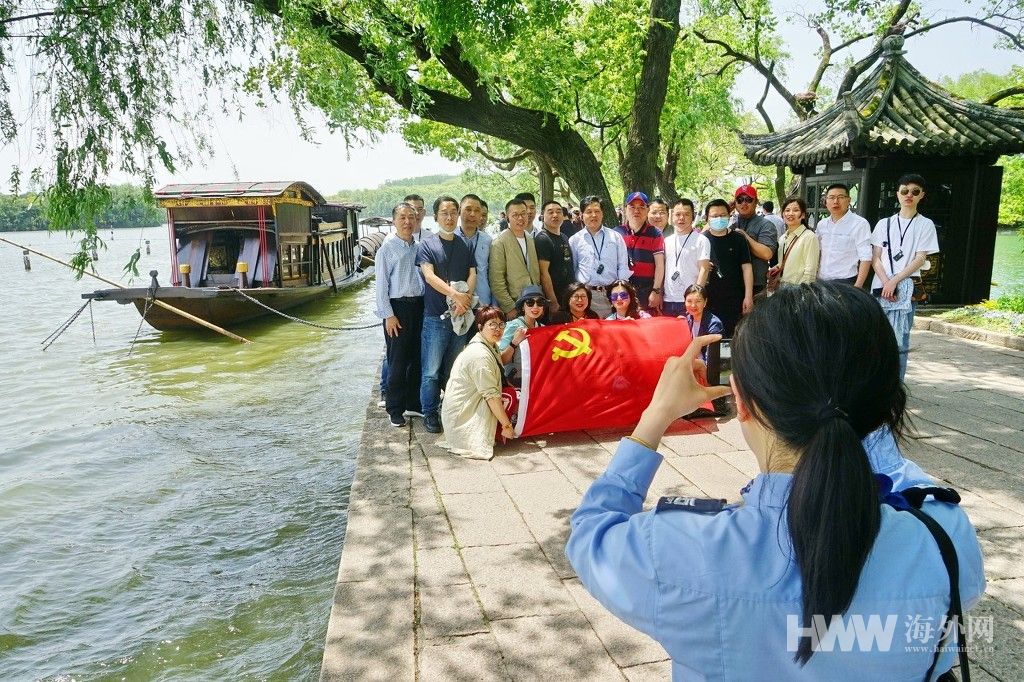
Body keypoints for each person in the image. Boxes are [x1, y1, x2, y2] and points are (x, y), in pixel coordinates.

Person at [567, 282, 984, 680]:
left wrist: (655, 415)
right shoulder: (944, 536)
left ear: (743, 402)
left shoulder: (680, 549)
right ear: (885, 400)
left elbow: (591, 534)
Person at [417, 195, 477, 434]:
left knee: (453, 368)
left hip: (460, 317)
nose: (450, 217)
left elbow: (473, 273)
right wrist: (456, 296)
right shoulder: (427, 245)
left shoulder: (463, 244)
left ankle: (448, 408)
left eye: (454, 212)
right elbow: (429, 277)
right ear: (436, 216)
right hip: (435, 318)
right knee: (430, 372)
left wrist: (466, 299)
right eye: (445, 213)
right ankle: (429, 412)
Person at [871, 173, 939, 381]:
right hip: (881, 287)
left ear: (921, 195)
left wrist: (894, 281)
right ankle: (877, 383)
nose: (909, 195)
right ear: (897, 194)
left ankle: (895, 387)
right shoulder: (884, 223)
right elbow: (875, 257)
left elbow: (920, 259)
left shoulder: (925, 224)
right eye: (904, 191)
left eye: (914, 192)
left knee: (901, 340)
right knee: (877, 339)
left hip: (906, 288)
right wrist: (885, 282)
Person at [439, 306, 516, 460]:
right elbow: (491, 396)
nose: (498, 329)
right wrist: (507, 426)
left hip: (464, 406)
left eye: (501, 324)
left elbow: (500, 362)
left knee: (513, 393)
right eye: (492, 324)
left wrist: (513, 344)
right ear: (480, 327)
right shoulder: (479, 355)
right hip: (462, 416)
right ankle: (501, 430)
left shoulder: (488, 344)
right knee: (511, 396)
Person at [375, 202, 425, 427]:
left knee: (417, 358)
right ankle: (394, 408)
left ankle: (413, 403)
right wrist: (388, 315)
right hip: (398, 308)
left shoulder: (420, 247)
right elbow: (381, 286)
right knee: (397, 360)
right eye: (402, 217)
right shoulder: (387, 249)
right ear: (394, 221)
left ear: (417, 220)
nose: (407, 221)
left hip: (419, 306)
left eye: (411, 217)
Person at [569, 195, 631, 319]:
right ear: (582, 215)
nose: (593, 215)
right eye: (589, 212)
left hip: (612, 295)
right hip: (587, 297)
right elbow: (574, 268)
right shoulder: (575, 240)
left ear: (602, 214)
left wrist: (619, 291)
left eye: (597, 211)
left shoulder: (615, 237)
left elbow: (623, 266)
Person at [704, 198, 753, 337]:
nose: (719, 218)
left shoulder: (738, 239)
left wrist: (748, 296)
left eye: (722, 215)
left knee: (733, 337)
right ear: (707, 218)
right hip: (709, 298)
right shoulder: (702, 239)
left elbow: (747, 268)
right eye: (714, 216)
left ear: (729, 216)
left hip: (734, 298)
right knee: (711, 337)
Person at [489, 198, 541, 319]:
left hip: (534, 303)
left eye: (523, 213)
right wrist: (510, 308)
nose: (520, 218)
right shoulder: (499, 243)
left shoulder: (530, 238)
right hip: (515, 304)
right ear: (507, 217)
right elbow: (496, 280)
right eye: (515, 215)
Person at [615, 191, 666, 313]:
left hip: (646, 292)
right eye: (632, 207)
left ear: (647, 210)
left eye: (641, 207)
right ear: (625, 209)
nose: (636, 211)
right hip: (621, 293)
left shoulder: (655, 233)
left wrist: (656, 291)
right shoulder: (616, 233)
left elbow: (660, 265)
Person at [817, 183, 873, 287]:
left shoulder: (860, 224)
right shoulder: (822, 224)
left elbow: (866, 257)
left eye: (840, 197)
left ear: (848, 200)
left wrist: (857, 287)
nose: (835, 201)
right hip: (821, 281)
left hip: (845, 282)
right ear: (826, 201)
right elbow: (818, 252)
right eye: (831, 197)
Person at [662, 199, 711, 317]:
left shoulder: (701, 240)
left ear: (693, 217)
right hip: (667, 299)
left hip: (689, 301)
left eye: (686, 214)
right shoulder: (666, 241)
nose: (681, 218)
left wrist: (696, 298)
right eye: (678, 214)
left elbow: (704, 269)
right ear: (672, 216)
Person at [731, 185, 778, 297]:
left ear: (756, 202)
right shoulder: (729, 222)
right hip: (732, 283)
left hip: (756, 285)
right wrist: (725, 210)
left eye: (748, 199)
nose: (744, 203)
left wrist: (745, 237)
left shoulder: (765, 225)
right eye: (740, 200)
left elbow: (767, 254)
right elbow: (704, 238)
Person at [497, 285, 547, 386]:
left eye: (540, 303)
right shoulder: (513, 325)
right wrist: (514, 342)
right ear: (523, 307)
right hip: (514, 381)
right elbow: (501, 360)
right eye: (530, 303)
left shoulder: (543, 328)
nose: (535, 307)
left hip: (536, 380)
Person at [536, 200, 574, 316]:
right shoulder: (542, 239)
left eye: (559, 212)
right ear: (542, 217)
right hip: (555, 300)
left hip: (569, 296)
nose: (555, 215)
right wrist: (553, 302)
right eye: (550, 212)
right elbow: (544, 273)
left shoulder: (564, 237)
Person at [773, 197, 820, 287]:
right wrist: (777, 267)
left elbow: (810, 270)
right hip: (782, 289)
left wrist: (803, 292)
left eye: (795, 210)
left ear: (803, 215)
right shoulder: (783, 238)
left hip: (798, 292)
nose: (790, 213)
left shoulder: (809, 237)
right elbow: (784, 261)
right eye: (787, 210)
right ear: (783, 214)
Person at [458, 193, 494, 309]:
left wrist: (495, 304)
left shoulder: (488, 240)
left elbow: (493, 275)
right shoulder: (450, 238)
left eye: (477, 210)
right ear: (459, 211)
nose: (472, 214)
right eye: (468, 209)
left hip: (483, 302)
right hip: (457, 305)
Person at [681, 283, 722, 361]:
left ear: (705, 302)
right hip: (688, 363)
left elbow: (712, 354)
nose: (693, 305)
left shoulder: (714, 323)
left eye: (698, 301)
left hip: (706, 365)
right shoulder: (684, 319)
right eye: (689, 301)